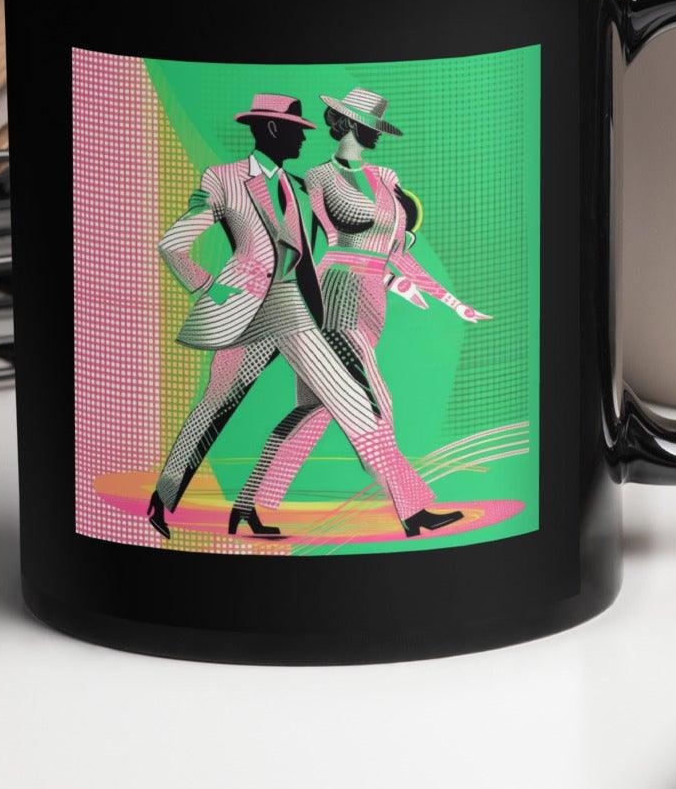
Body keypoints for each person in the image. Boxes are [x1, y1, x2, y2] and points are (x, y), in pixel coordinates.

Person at [146, 93, 432, 542]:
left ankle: (411, 510)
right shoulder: (223, 179)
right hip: (241, 310)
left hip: (294, 310)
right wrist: (210, 288)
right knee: (214, 406)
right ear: (274, 130)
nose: (304, 138)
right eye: (298, 130)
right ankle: (164, 500)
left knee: (354, 401)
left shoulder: (299, 183)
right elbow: (172, 244)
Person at [230, 86, 489, 539]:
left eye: (376, 127)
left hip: (374, 300)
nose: (374, 134)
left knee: (312, 412)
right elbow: (306, 245)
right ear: (346, 123)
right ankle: (413, 510)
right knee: (375, 404)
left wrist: (452, 302)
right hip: (337, 295)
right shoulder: (317, 177)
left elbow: (397, 253)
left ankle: (247, 505)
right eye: (369, 125)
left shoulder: (386, 177)